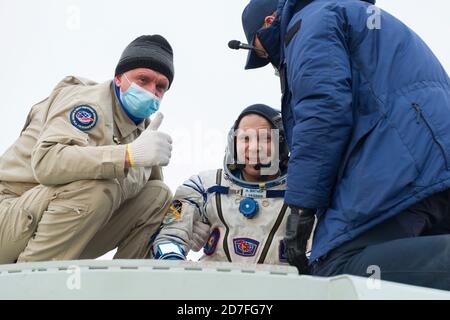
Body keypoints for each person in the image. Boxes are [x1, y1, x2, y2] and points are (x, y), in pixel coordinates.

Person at [237, 0, 450, 290]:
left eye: (259, 50)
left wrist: (301, 207)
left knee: (337, 272)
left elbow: (323, 112)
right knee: (415, 284)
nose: (270, 62)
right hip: (431, 165)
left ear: (269, 22)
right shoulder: (354, 16)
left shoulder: (307, 23)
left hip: (399, 167)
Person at [0, 35, 176, 263]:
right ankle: (29, 284)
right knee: (100, 187)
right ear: (119, 79)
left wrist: (185, 233)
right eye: (143, 79)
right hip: (10, 216)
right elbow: (46, 162)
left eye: (161, 86)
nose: (152, 90)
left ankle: (125, 287)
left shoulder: (144, 132)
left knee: (159, 195)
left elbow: (155, 207)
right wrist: (127, 155)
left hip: (65, 230)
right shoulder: (89, 103)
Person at [152, 104, 314, 265]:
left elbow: (320, 250)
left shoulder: (303, 192)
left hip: (281, 286)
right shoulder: (204, 187)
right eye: (245, 138)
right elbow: (170, 235)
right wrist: (173, 259)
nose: (254, 148)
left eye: (265, 138)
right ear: (233, 144)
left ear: (283, 144)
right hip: (214, 284)